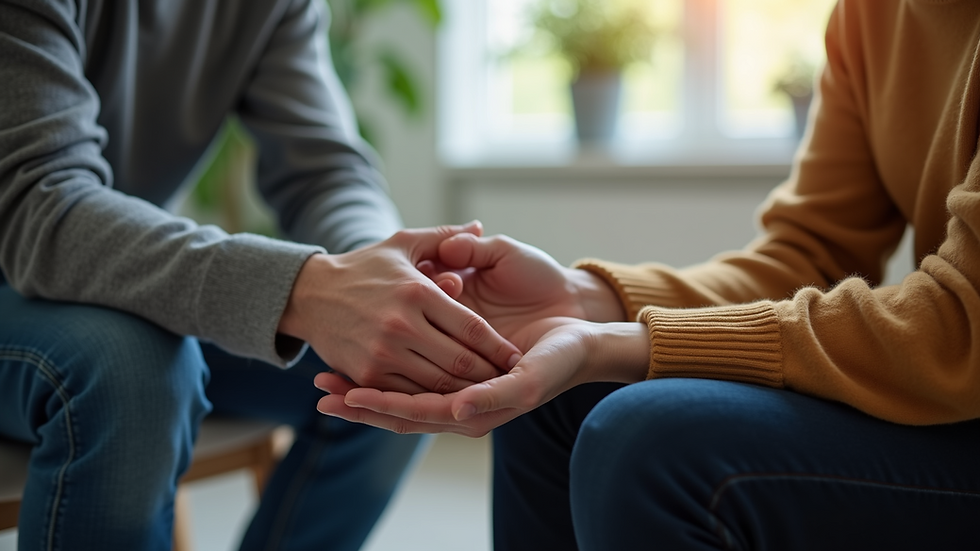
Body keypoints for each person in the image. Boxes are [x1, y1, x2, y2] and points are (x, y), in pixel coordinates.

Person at [315, 1, 980, 549]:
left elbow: (961, 325)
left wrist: (618, 343)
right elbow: (806, 255)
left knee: (648, 439)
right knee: (554, 392)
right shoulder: (873, 14)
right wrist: (582, 299)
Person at [0, 0, 522, 549]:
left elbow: (324, 172)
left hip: (106, 281)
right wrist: (305, 288)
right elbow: (41, 207)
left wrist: (386, 275)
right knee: (130, 367)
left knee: (406, 355)